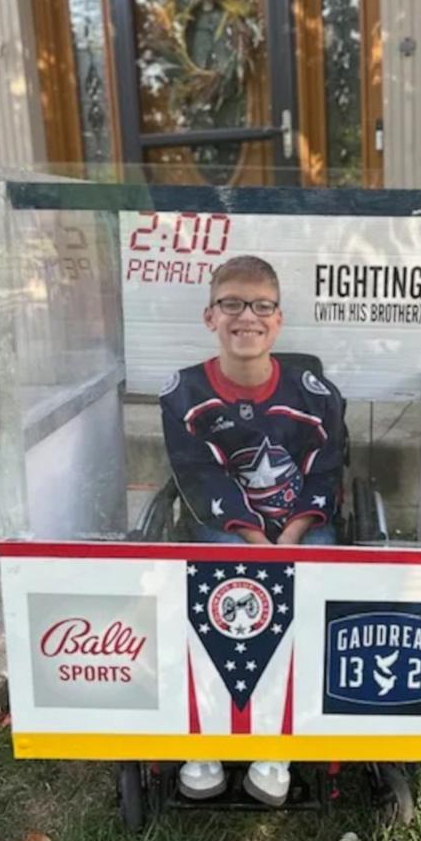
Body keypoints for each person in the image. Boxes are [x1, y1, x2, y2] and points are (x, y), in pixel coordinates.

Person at [158, 255, 345, 806]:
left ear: (278, 320)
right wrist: (255, 541)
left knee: (309, 592)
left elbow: (327, 469)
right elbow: (198, 472)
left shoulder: (317, 394)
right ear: (209, 315)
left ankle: (278, 744)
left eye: (262, 305)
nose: (248, 317)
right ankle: (206, 738)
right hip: (228, 527)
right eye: (232, 304)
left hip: (299, 525)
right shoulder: (183, 395)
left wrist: (291, 536)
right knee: (222, 593)